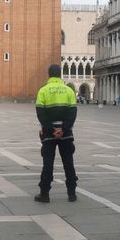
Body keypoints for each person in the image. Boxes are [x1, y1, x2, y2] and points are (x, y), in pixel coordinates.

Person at [34, 64, 79, 203]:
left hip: (48, 134)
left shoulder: (43, 91)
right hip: (66, 134)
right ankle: (72, 193)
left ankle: (44, 193)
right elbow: (72, 114)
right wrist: (63, 129)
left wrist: (51, 130)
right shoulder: (69, 91)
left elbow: (40, 114)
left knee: (48, 164)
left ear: (49, 74)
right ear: (60, 75)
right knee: (68, 163)